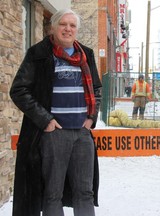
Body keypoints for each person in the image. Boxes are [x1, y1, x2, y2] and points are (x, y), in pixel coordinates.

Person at [10, 9, 102, 216]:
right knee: (53, 194)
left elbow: (96, 89)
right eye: (63, 24)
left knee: (85, 193)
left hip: (82, 133)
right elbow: (18, 90)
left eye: (72, 25)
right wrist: (46, 120)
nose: (67, 29)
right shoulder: (39, 53)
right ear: (53, 27)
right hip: (54, 134)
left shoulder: (86, 54)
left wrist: (91, 118)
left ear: (76, 30)